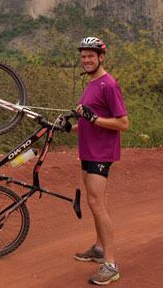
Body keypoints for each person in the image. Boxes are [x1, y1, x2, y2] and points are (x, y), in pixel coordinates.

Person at [72, 37, 129, 285]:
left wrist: (93, 119)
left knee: (97, 203)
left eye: (90, 56)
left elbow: (122, 123)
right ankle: (98, 248)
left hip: (101, 154)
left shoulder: (108, 84)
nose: (86, 60)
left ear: (101, 57)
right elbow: (90, 119)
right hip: (87, 151)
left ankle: (110, 264)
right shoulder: (91, 83)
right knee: (93, 200)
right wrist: (72, 126)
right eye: (83, 56)